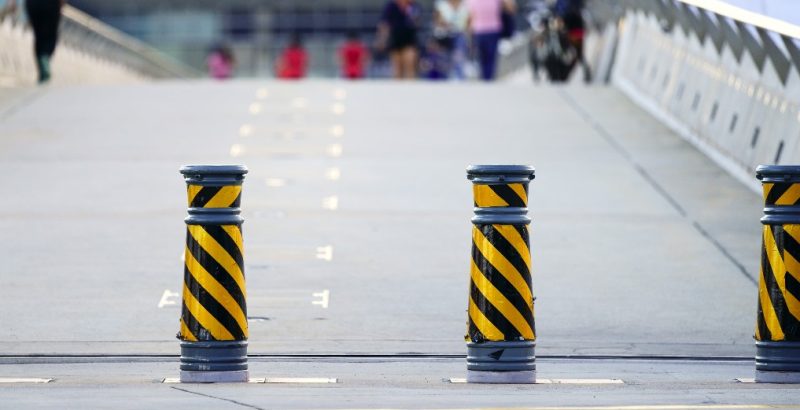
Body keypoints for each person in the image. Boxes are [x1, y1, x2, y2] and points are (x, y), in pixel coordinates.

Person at [8, 0, 64, 83]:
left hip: (33, 4)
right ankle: (45, 58)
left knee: (38, 35)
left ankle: (41, 67)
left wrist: (13, 2)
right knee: (50, 35)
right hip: (51, 4)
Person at [466, 0, 516, 81]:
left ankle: (486, 78)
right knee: (490, 58)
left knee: (483, 58)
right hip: (491, 30)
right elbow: (510, 9)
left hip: (481, 31)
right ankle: (488, 79)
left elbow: (470, 16)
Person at [377, 0, 421, 79]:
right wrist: (382, 40)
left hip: (409, 38)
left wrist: (410, 13)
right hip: (395, 38)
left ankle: (412, 89)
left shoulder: (413, 5)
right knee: (397, 67)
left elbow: (416, 23)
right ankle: (397, 89)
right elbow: (384, 24)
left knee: (410, 64)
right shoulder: (391, 6)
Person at [554, 0, 591, 82]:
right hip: (568, 30)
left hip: (574, 29)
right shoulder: (562, 3)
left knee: (578, 54)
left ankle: (584, 71)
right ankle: (563, 74)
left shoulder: (574, 5)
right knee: (570, 54)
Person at [433, 0, 469, 80]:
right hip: (445, 36)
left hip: (459, 35)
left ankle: (459, 79)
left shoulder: (465, 4)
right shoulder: (441, 4)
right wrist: (446, 24)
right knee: (445, 61)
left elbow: (468, 21)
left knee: (459, 59)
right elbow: (437, 20)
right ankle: (445, 79)